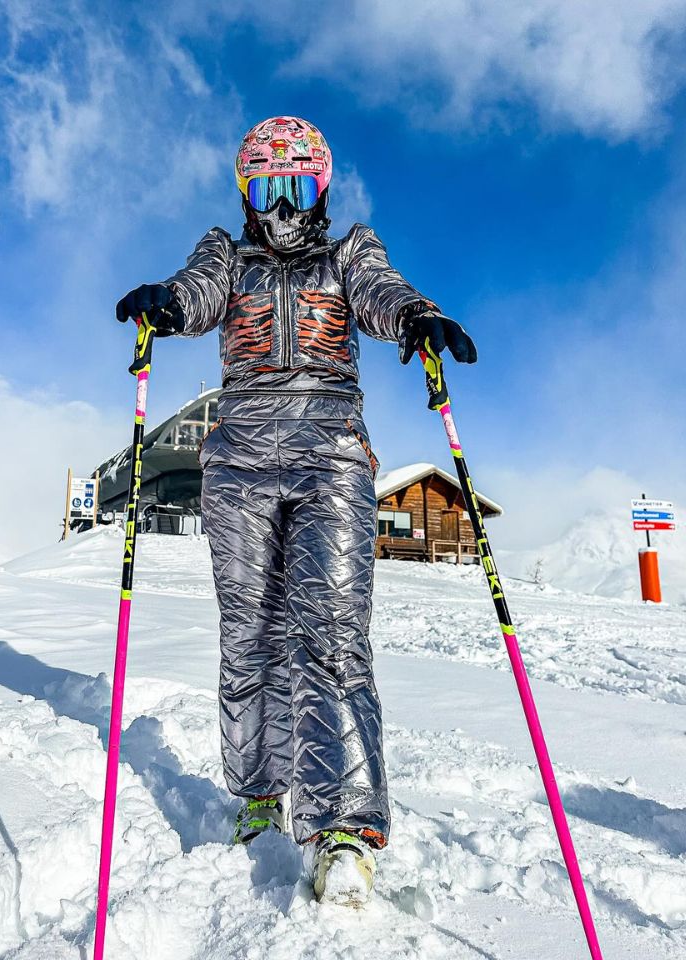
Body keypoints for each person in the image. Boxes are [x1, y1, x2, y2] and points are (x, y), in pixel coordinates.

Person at [116, 116, 476, 905]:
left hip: (329, 456)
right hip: (240, 461)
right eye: (267, 188)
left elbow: (379, 292)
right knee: (249, 636)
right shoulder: (227, 253)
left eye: (298, 187)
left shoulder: (348, 251)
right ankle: (256, 792)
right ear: (246, 194)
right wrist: (169, 304)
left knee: (330, 633)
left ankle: (343, 826)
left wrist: (415, 315)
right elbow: (200, 290)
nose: (282, 207)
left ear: (322, 189)